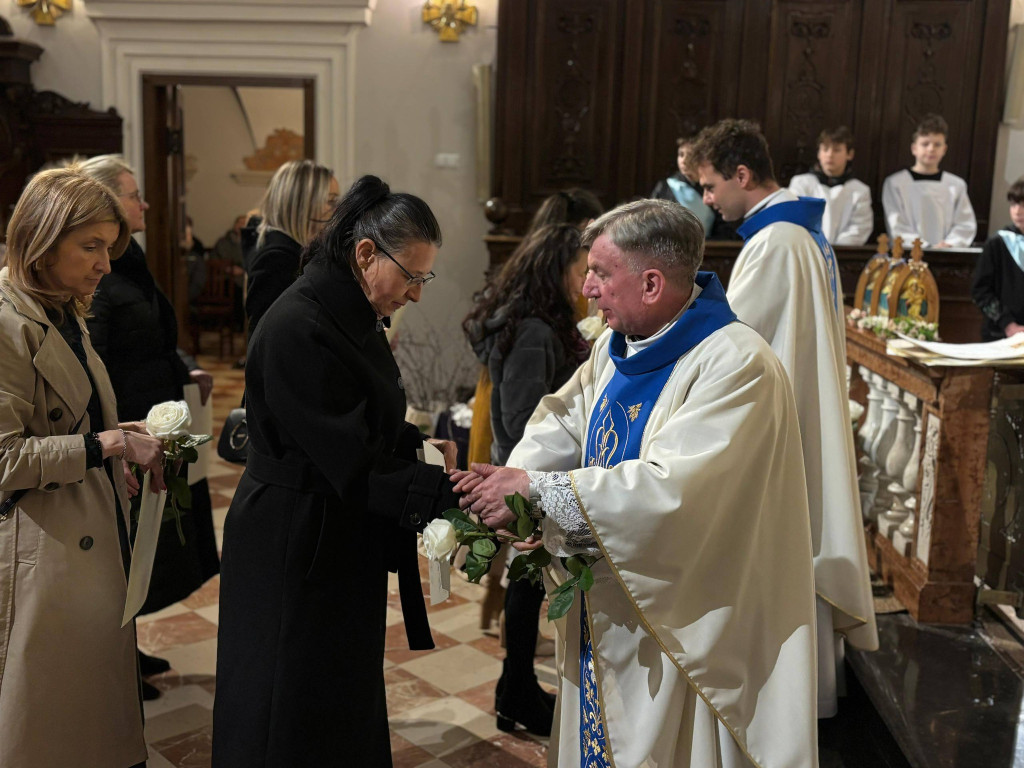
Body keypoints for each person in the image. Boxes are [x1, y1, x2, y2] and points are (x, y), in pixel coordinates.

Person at [453, 199, 818, 768]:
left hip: (683, 627)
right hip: (607, 610)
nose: (587, 290)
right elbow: (563, 417)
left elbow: (672, 495)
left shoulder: (735, 365)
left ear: (651, 283)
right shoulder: (615, 345)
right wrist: (518, 485)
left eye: (600, 273)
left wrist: (539, 495)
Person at [213, 175, 461, 768]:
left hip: (333, 528)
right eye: (412, 276)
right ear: (366, 253)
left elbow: (360, 413)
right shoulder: (302, 324)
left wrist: (416, 446)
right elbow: (349, 459)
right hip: (294, 537)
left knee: (335, 692)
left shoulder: (347, 310)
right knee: (288, 698)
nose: (417, 294)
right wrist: (448, 494)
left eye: (425, 278)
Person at [691, 118, 878, 718]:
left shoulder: (775, 244)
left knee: (785, 546)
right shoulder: (800, 235)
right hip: (799, 407)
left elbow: (735, 344)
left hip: (781, 421)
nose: (708, 199)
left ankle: (788, 707)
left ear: (742, 175)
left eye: (712, 185)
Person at [0, 166, 167, 768]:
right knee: (53, 730)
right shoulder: (5, 321)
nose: (104, 264)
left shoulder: (63, 308)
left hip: (84, 530)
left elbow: (69, 421)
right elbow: (3, 458)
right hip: (42, 547)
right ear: (43, 240)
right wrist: (107, 448)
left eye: (109, 247)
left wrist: (122, 434)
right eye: (90, 247)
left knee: (94, 716)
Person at [79, 154, 220, 698]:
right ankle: (113, 662)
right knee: (123, 547)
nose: (145, 204)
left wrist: (186, 367)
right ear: (107, 202)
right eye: (134, 194)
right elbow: (95, 363)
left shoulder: (129, 258)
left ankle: (128, 646)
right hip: (125, 432)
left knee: (148, 544)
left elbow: (154, 332)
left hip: (151, 424)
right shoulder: (98, 271)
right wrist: (116, 438)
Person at [463, 223, 590, 736]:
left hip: (529, 473)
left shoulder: (538, 322)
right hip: (527, 473)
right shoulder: (535, 330)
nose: (586, 284)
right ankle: (515, 686)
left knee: (528, 581)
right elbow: (522, 416)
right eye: (581, 271)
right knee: (526, 581)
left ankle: (513, 687)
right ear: (555, 270)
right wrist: (538, 483)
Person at [245, 160, 339, 337]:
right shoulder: (276, 258)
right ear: (302, 203)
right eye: (331, 201)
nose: (336, 210)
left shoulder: (299, 250)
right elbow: (271, 334)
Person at [881, 113, 976, 247]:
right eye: (925, 144)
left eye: (937, 145)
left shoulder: (956, 185)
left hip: (946, 254)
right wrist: (924, 247)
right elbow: (897, 224)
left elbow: (965, 223)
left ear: (944, 149)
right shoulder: (896, 183)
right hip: (909, 253)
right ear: (914, 148)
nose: (931, 149)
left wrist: (949, 244)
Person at [788, 126, 873, 246]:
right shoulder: (802, 184)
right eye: (825, 149)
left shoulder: (859, 190)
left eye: (836, 150)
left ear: (850, 154)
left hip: (842, 255)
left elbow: (858, 229)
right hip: (806, 251)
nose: (829, 155)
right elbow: (795, 220)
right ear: (818, 153)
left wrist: (832, 252)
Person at [650, 136, 735, 240]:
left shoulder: (714, 186)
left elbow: (724, 225)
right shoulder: (666, 186)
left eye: (690, 155)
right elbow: (653, 222)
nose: (684, 161)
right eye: (681, 155)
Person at [971, 178, 1024, 341]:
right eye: (1014, 204)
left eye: (1023, 205)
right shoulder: (998, 244)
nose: (1017, 211)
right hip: (1001, 334)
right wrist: (1008, 324)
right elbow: (980, 291)